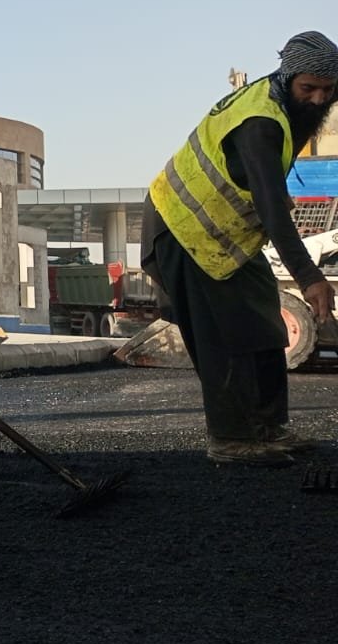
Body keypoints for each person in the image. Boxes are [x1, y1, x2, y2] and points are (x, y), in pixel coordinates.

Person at [141, 31, 338, 466]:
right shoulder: (259, 122)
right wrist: (309, 278)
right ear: (288, 78)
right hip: (183, 226)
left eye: (328, 90)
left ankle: (268, 428)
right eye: (309, 88)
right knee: (223, 334)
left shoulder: (291, 104)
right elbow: (271, 206)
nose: (319, 99)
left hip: (226, 234)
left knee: (264, 324)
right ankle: (231, 438)